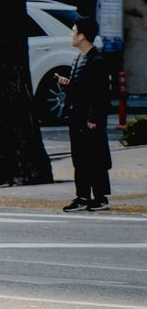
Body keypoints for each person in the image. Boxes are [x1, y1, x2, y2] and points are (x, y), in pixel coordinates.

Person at [58, 16, 112, 212]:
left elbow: (100, 94)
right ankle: (83, 196)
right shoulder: (79, 58)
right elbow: (82, 89)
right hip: (77, 117)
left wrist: (93, 118)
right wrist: (68, 84)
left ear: (82, 36)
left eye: (74, 31)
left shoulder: (97, 60)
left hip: (89, 120)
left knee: (94, 157)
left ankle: (98, 197)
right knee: (80, 158)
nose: (71, 35)